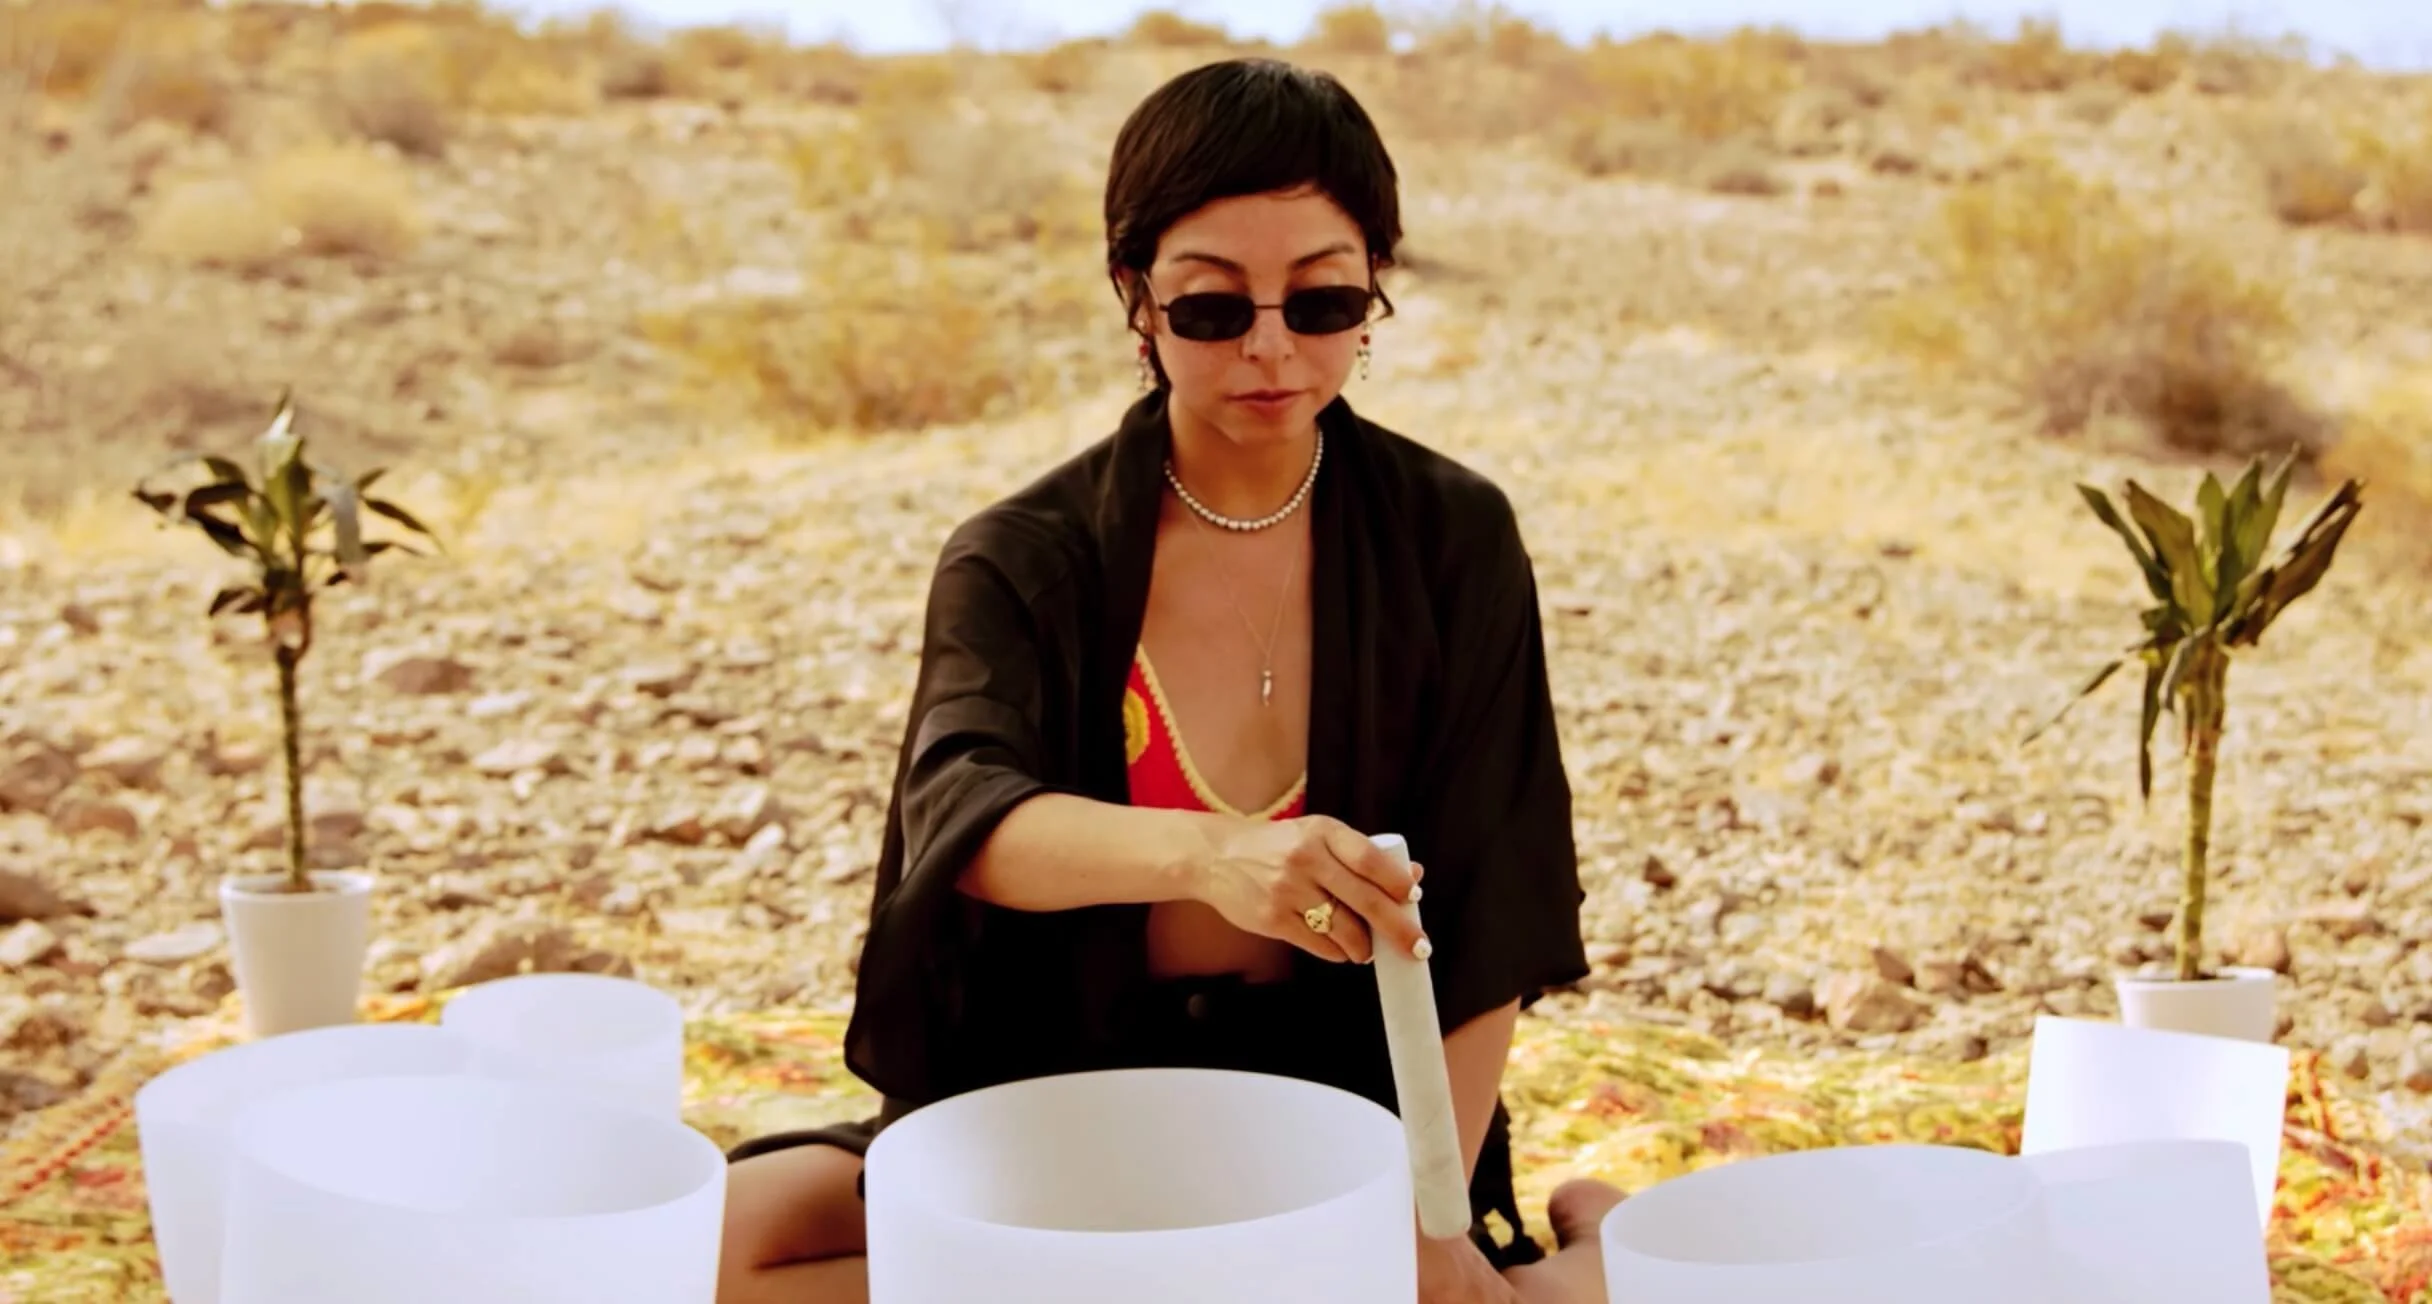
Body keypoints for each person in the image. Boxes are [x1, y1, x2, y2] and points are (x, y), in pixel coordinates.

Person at [717, 57, 1626, 1304]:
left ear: (1373, 290)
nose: (1270, 348)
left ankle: (1592, 1249)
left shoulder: (1451, 537)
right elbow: (965, 815)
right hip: (1062, 1077)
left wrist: (1425, 1215)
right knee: (709, 1248)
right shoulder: (1023, 555)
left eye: (1321, 301)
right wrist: (1213, 855)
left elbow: (1490, 904)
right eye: (1210, 306)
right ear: (1134, 297)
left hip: (1340, 1101)